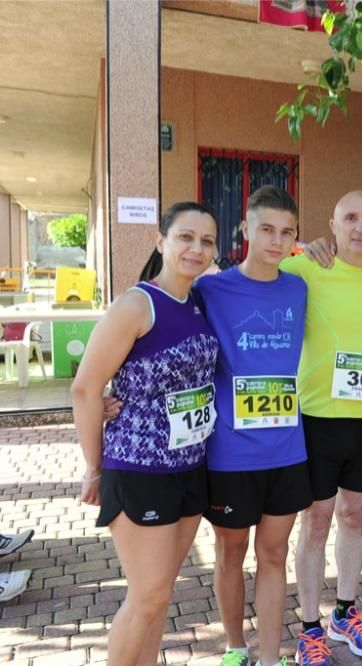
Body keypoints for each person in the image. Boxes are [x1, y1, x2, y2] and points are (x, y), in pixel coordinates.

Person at [71, 202, 220, 665]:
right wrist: (94, 468)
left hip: (191, 468)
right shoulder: (136, 305)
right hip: (139, 471)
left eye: (207, 241)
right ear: (162, 242)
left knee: (159, 596)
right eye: (185, 237)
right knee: (147, 596)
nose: (196, 249)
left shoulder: (199, 300)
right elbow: (86, 388)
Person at [196, 186, 310, 666]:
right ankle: (234, 648)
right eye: (266, 229)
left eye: (287, 232)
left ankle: (268, 656)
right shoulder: (210, 288)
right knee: (231, 551)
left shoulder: (300, 285)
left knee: (274, 554)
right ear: (246, 229)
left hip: (287, 449)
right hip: (230, 452)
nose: (276, 241)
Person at [282, 191, 362, 663]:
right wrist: (298, 248)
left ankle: (344, 613)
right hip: (317, 419)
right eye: (350, 218)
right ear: (333, 224)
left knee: (354, 516)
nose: (360, 227)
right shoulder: (307, 268)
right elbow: (248, 280)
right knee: (316, 521)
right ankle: (309, 628)